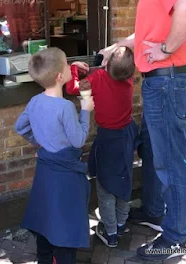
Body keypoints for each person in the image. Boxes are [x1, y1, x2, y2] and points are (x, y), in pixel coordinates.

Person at [100, 0, 186, 261]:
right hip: (169, 80)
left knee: (172, 161)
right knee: (160, 154)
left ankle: (176, 236)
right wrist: (123, 44)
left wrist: (165, 49)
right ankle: (159, 211)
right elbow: (152, 31)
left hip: (169, 80)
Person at [15, 47, 95, 264]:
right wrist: (86, 110)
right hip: (66, 174)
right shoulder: (66, 107)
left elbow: (20, 127)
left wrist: (39, 143)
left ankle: (44, 258)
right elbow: (78, 140)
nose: (72, 66)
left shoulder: (35, 102)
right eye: (68, 64)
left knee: (46, 216)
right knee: (66, 220)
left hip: (45, 169)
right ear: (60, 76)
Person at [66, 47, 138, 248]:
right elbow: (118, 71)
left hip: (108, 139)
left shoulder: (97, 78)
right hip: (126, 136)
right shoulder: (128, 80)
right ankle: (122, 223)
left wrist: (73, 68)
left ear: (106, 64)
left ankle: (110, 231)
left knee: (106, 186)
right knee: (124, 180)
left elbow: (72, 88)